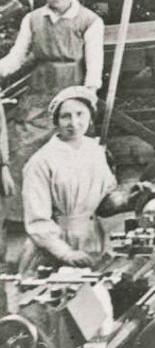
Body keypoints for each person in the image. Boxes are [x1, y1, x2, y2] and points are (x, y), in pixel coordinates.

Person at [0, 0, 104, 236]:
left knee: (65, 153)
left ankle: (65, 217)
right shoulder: (33, 19)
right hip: (38, 96)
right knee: (19, 147)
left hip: (70, 95)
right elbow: (16, 57)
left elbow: (94, 68)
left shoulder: (89, 20)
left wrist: (87, 98)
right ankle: (22, 221)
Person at [18, 86, 116, 274]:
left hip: (93, 238)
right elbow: (37, 221)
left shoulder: (95, 151)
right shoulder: (41, 161)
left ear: (90, 116)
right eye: (66, 116)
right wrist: (66, 253)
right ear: (56, 121)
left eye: (80, 114)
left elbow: (105, 196)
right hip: (54, 246)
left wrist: (129, 197)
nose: (74, 122)